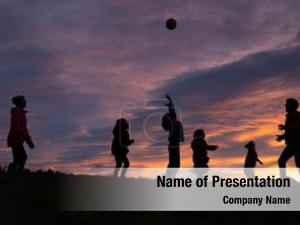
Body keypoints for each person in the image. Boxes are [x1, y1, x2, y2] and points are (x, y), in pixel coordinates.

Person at [7, 95, 34, 172]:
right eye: (24, 100)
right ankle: (17, 173)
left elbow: (24, 129)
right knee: (22, 157)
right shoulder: (17, 112)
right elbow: (17, 127)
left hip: (17, 139)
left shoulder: (21, 112)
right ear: (20, 102)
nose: (26, 102)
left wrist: (29, 141)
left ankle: (14, 173)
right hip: (15, 139)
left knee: (19, 158)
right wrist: (29, 142)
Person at [276, 98, 300, 169]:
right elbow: (291, 131)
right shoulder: (289, 116)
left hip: (298, 144)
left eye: (287, 105)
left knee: (299, 164)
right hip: (292, 144)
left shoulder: (297, 115)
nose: (285, 106)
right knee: (281, 161)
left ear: (292, 106)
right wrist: (282, 137)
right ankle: (283, 179)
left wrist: (286, 127)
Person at [161, 94, 184, 168]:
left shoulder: (172, 122)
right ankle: (168, 178)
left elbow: (172, 109)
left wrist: (170, 101)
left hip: (174, 144)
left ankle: (169, 178)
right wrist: (170, 101)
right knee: (174, 165)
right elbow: (172, 110)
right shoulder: (172, 123)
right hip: (173, 145)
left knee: (174, 165)